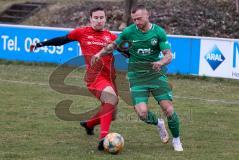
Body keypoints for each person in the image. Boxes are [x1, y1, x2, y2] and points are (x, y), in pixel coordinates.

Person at [91, 4, 183, 151]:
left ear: (148, 15)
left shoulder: (158, 32)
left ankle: (177, 140)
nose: (137, 22)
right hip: (137, 77)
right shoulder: (129, 31)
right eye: (134, 19)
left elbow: (168, 54)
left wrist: (160, 62)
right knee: (142, 113)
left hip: (156, 75)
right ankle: (158, 123)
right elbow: (113, 46)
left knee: (168, 109)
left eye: (139, 19)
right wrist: (99, 54)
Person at [30, 7, 119, 151]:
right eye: (95, 17)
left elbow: (126, 52)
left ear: (105, 19)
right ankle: (104, 138)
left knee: (112, 113)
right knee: (110, 98)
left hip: (110, 78)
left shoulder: (111, 37)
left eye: (101, 17)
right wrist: (40, 44)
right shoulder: (82, 32)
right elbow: (61, 40)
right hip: (95, 78)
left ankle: (88, 124)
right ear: (90, 19)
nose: (98, 20)